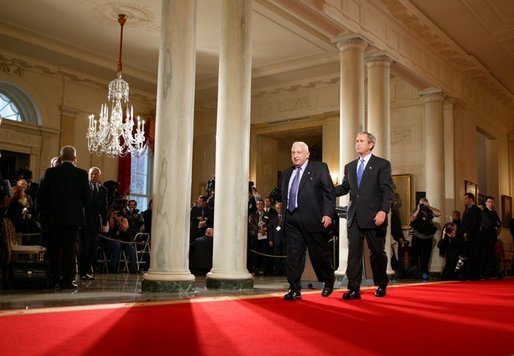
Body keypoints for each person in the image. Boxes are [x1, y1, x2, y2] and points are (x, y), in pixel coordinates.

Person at [334, 132, 393, 300]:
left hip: (375, 217)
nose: (357, 143)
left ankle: (381, 283)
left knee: (377, 253)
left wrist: (383, 211)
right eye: (356, 141)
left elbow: (387, 191)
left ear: (371, 145)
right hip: (354, 218)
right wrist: (328, 189)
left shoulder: (382, 165)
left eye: (361, 141)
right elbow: (344, 188)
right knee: (354, 253)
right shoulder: (350, 166)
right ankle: (353, 289)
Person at [281, 141, 335, 301]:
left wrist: (328, 213)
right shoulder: (286, 173)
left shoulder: (319, 168)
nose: (295, 156)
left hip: (314, 219)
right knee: (293, 255)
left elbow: (329, 192)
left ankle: (328, 280)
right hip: (291, 219)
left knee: (319, 254)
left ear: (307, 154)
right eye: (292, 153)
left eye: (299, 152)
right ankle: (294, 288)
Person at [36, 146, 90, 289]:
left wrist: (43, 215)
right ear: (75, 159)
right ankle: (68, 280)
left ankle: (53, 279)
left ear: (60, 158)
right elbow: (87, 198)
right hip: (72, 220)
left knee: (53, 250)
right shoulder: (82, 174)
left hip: (52, 219)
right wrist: (76, 207)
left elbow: (41, 196)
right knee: (69, 250)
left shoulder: (50, 172)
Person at [79, 167, 108, 281]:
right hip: (84, 222)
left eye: (96, 174)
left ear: (99, 175)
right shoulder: (83, 187)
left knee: (92, 249)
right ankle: (82, 272)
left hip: (95, 223)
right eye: (91, 174)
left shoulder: (103, 190)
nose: (93, 176)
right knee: (84, 248)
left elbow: (104, 208)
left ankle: (87, 271)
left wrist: (104, 223)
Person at [409, 197, 442, 281]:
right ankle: (415, 273)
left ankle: (424, 273)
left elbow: (439, 213)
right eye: (422, 203)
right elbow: (411, 219)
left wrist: (429, 207)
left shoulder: (429, 210)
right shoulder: (416, 210)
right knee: (415, 256)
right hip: (417, 237)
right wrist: (418, 209)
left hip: (428, 238)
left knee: (426, 257)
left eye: (425, 203)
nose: (423, 205)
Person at [479, 196, 502, 279]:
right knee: (491, 255)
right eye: (489, 202)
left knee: (488, 255)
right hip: (486, 237)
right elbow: (489, 223)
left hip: (492, 237)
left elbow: (499, 223)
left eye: (492, 202)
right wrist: (495, 226)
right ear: (486, 203)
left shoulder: (494, 212)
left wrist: (496, 225)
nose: (491, 203)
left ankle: (483, 272)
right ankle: (497, 272)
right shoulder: (484, 211)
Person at [461, 192, 482, 280]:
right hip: (466, 237)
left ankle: (476, 275)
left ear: (471, 199)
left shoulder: (477, 210)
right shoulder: (466, 211)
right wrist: (463, 233)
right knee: (468, 256)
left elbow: (475, 224)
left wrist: (467, 233)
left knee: (474, 256)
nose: (464, 200)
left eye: (466, 198)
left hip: (474, 237)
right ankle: (469, 274)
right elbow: (463, 224)